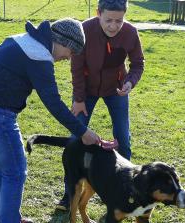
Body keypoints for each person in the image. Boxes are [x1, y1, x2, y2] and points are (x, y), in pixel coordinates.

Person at [0, 18, 100, 223]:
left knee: (2, 169)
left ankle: (1, 219)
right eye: (70, 51)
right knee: (15, 171)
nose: (68, 58)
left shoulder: (26, 41)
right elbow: (53, 103)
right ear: (61, 40)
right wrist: (83, 132)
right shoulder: (38, 54)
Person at [56, 0, 144, 210]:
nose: (113, 26)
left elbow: (138, 63)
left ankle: (125, 187)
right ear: (98, 13)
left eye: (119, 21)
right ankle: (70, 193)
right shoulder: (85, 30)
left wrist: (130, 81)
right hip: (86, 91)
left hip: (117, 90)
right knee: (75, 139)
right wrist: (78, 99)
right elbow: (76, 68)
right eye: (108, 20)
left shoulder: (131, 33)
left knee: (123, 137)